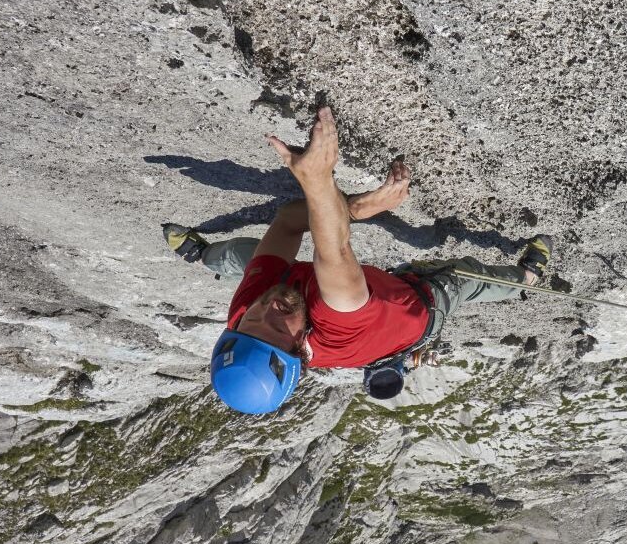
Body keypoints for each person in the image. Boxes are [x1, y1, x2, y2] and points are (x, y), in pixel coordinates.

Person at [162, 107, 551, 414]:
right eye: (277, 328)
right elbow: (333, 249)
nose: (267, 308)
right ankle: (527, 277)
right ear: (301, 348)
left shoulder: (250, 315)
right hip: (419, 309)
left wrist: (359, 207)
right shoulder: (337, 315)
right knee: (467, 277)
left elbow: (288, 222)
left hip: (363, 321)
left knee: (245, 259)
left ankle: (203, 256)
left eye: (251, 322)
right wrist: (318, 179)